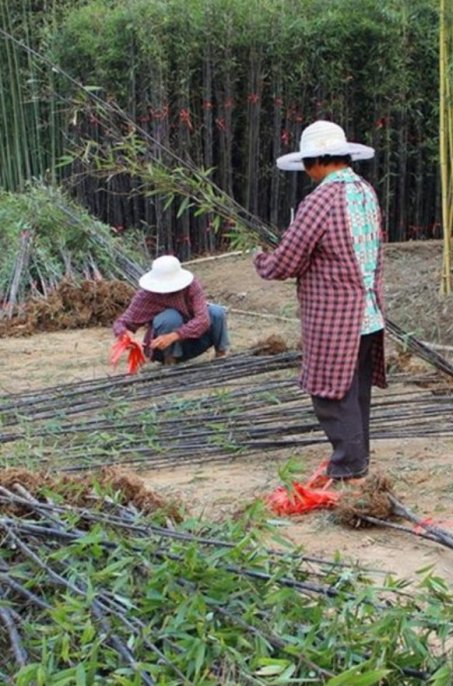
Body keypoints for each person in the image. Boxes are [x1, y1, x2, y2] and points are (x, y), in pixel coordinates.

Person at [254, 120, 386, 482]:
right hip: (368, 312)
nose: (308, 172)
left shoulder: (320, 200)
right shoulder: (365, 190)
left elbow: (288, 260)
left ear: (317, 161)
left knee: (330, 392)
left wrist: (262, 260)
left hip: (335, 316)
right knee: (355, 391)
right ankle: (359, 456)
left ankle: (349, 462)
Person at [113, 254, 229, 364]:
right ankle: (170, 361)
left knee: (216, 312)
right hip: (162, 349)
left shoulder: (191, 286)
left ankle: (221, 354)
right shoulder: (146, 295)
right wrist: (125, 335)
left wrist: (174, 336)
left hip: (196, 341)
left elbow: (203, 320)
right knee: (170, 317)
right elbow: (122, 323)